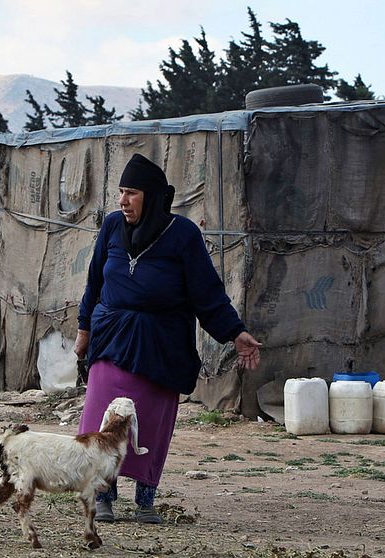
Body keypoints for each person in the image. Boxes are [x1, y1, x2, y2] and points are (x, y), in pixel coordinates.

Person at [73, 153, 262, 524]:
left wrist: (234, 333)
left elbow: (207, 294)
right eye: (121, 192)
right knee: (102, 418)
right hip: (111, 336)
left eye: (131, 193)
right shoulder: (112, 227)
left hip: (161, 343)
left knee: (151, 421)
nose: (122, 201)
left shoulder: (182, 235)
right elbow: (94, 282)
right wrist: (84, 330)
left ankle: (145, 499)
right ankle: (104, 494)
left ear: (155, 197)